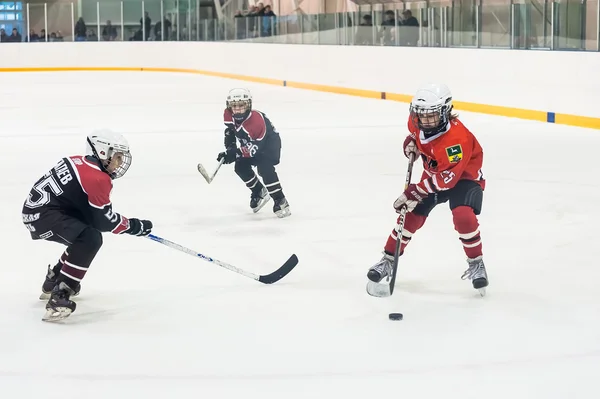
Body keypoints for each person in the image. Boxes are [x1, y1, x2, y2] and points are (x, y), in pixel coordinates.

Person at [367, 83, 489, 295]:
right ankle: (388, 260)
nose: (425, 120)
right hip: (436, 175)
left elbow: (447, 180)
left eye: (431, 115)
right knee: (411, 214)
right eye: (421, 115)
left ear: (445, 112)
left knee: (463, 215)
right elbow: (416, 138)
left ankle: (476, 263)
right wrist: (410, 143)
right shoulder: (417, 123)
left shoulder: (456, 141)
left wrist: (415, 191)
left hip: (464, 178)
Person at [22, 130, 153, 321]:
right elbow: (104, 221)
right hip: (43, 216)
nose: (118, 163)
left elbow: (92, 213)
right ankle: (60, 294)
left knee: (86, 230)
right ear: (102, 152)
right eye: (116, 157)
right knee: (90, 238)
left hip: (39, 212)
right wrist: (133, 225)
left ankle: (55, 279)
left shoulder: (76, 161)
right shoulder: (98, 178)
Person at [217, 88, 291, 218]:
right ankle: (259, 191)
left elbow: (254, 149)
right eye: (234, 106)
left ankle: (280, 200)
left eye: (241, 105)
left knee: (264, 168)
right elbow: (230, 132)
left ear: (249, 105)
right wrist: (230, 149)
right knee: (240, 166)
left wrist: (235, 154)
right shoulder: (228, 115)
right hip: (251, 143)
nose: (238, 109)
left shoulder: (256, 121)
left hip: (268, 146)